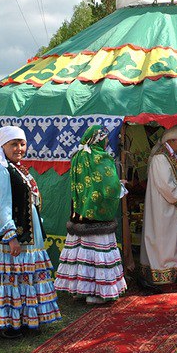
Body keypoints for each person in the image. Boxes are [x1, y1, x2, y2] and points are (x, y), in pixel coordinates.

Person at [0, 125, 61, 340]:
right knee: (8, 279)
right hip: (9, 238)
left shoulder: (17, 168)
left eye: (22, 144)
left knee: (23, 277)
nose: (19, 148)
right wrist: (10, 236)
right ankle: (4, 325)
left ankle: (24, 319)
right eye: (13, 144)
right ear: (3, 146)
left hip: (28, 234)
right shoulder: (0, 170)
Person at [54, 125, 127, 304]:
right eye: (106, 140)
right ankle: (95, 293)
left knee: (81, 253)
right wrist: (120, 185)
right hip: (97, 216)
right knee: (96, 254)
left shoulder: (78, 156)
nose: (107, 143)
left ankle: (80, 290)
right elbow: (107, 186)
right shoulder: (100, 157)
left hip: (79, 212)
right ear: (99, 139)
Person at [139, 123, 177, 287]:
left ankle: (172, 271)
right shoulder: (160, 158)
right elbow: (166, 186)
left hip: (171, 208)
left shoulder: (173, 156)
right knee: (162, 239)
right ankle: (162, 272)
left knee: (169, 240)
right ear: (172, 139)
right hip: (163, 208)